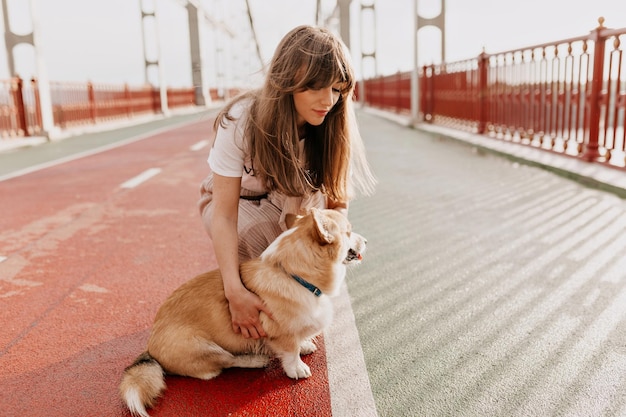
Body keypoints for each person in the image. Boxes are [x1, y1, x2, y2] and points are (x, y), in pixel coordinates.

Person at [198, 24, 376, 340]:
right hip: (242, 202)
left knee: (302, 248)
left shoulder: (334, 122)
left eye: (337, 88)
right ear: (286, 81)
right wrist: (233, 291)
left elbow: (336, 203)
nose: (328, 100)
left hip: (296, 198)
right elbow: (225, 215)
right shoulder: (241, 120)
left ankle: (293, 311)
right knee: (258, 240)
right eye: (315, 87)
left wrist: (333, 250)